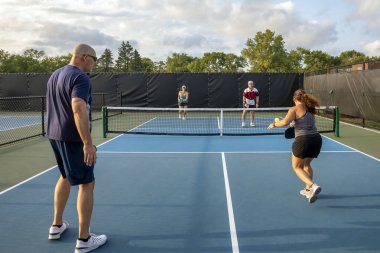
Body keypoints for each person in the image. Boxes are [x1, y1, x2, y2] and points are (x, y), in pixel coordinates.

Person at [46, 43, 107, 252]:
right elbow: (78, 108)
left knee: (64, 176)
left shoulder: (55, 75)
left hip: (54, 135)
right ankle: (84, 239)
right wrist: (88, 144)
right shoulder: (81, 77)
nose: (95, 63)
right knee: (87, 184)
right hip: (73, 138)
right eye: (94, 58)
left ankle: (56, 225)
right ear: (82, 57)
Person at [267, 89, 322, 203]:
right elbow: (306, 123)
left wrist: (274, 124)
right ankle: (308, 190)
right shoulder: (310, 109)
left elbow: (284, 122)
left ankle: (312, 185)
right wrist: (294, 124)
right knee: (307, 164)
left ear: (294, 99)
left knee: (297, 167)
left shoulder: (294, 109)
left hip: (304, 141)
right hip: (316, 140)